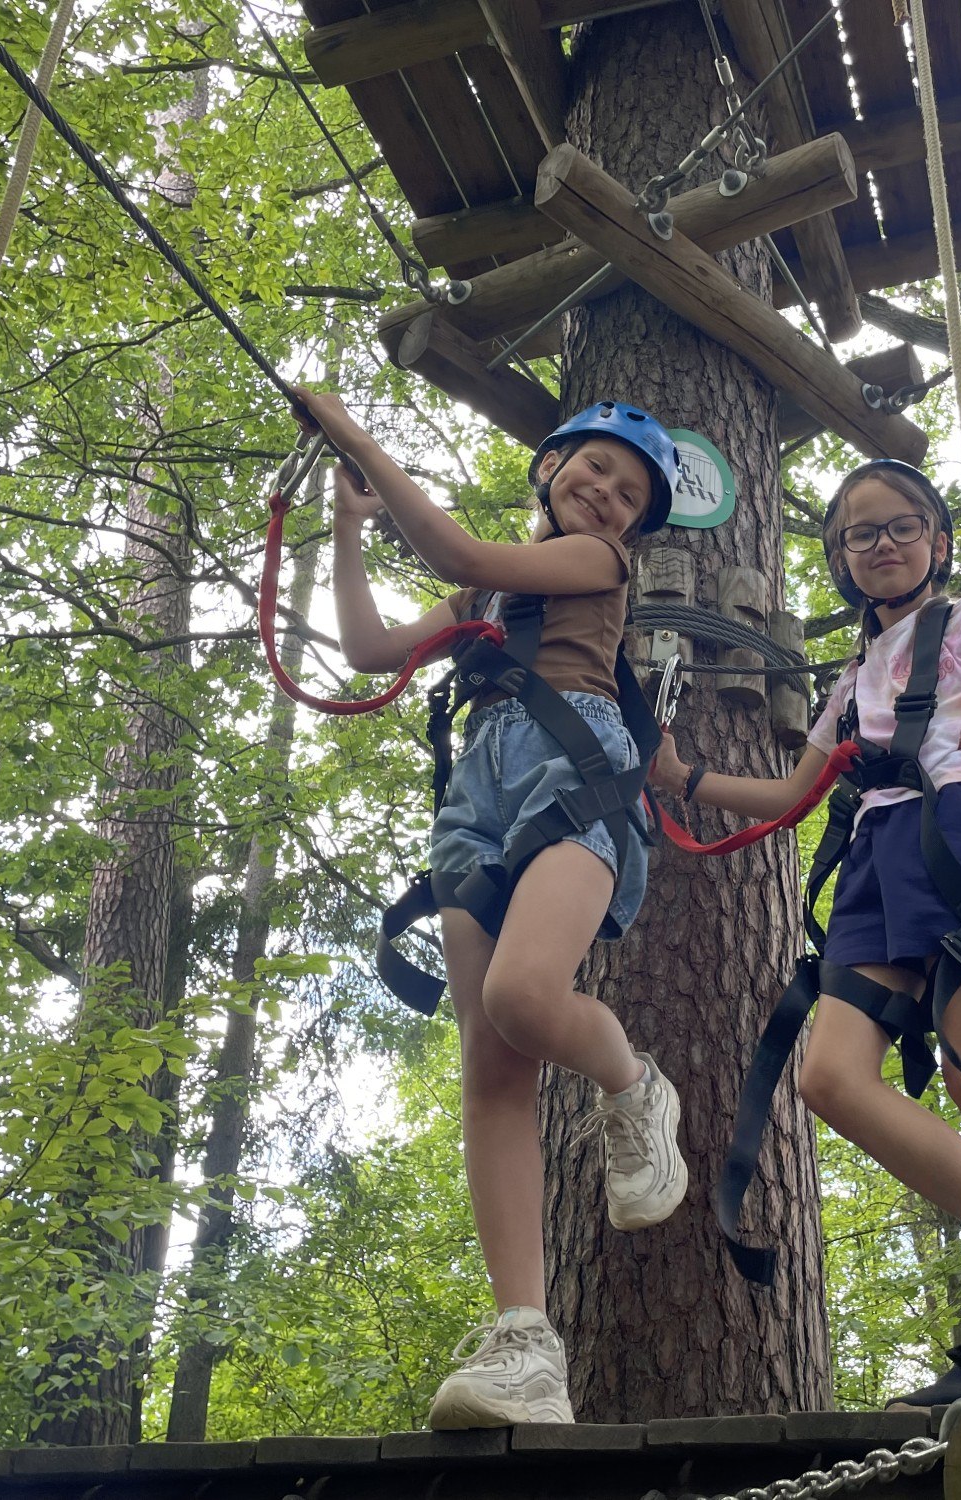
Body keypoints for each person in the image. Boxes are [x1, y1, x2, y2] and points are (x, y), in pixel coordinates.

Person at [651, 459, 961, 1404]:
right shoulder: (852, 679)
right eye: (860, 533)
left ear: (939, 541)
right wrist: (683, 780)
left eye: (902, 526)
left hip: (956, 827)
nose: (881, 544)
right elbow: (792, 796)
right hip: (874, 852)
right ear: (841, 559)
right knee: (830, 1077)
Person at [296, 389, 688, 1427]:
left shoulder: (597, 563)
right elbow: (370, 648)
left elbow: (459, 551)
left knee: (524, 995)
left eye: (629, 492)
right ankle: (527, 1345)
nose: (605, 495)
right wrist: (347, 524)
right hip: (478, 794)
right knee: (491, 1068)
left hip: (574, 766)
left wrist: (354, 433)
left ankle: (634, 1084)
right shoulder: (490, 595)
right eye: (592, 470)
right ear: (550, 469)